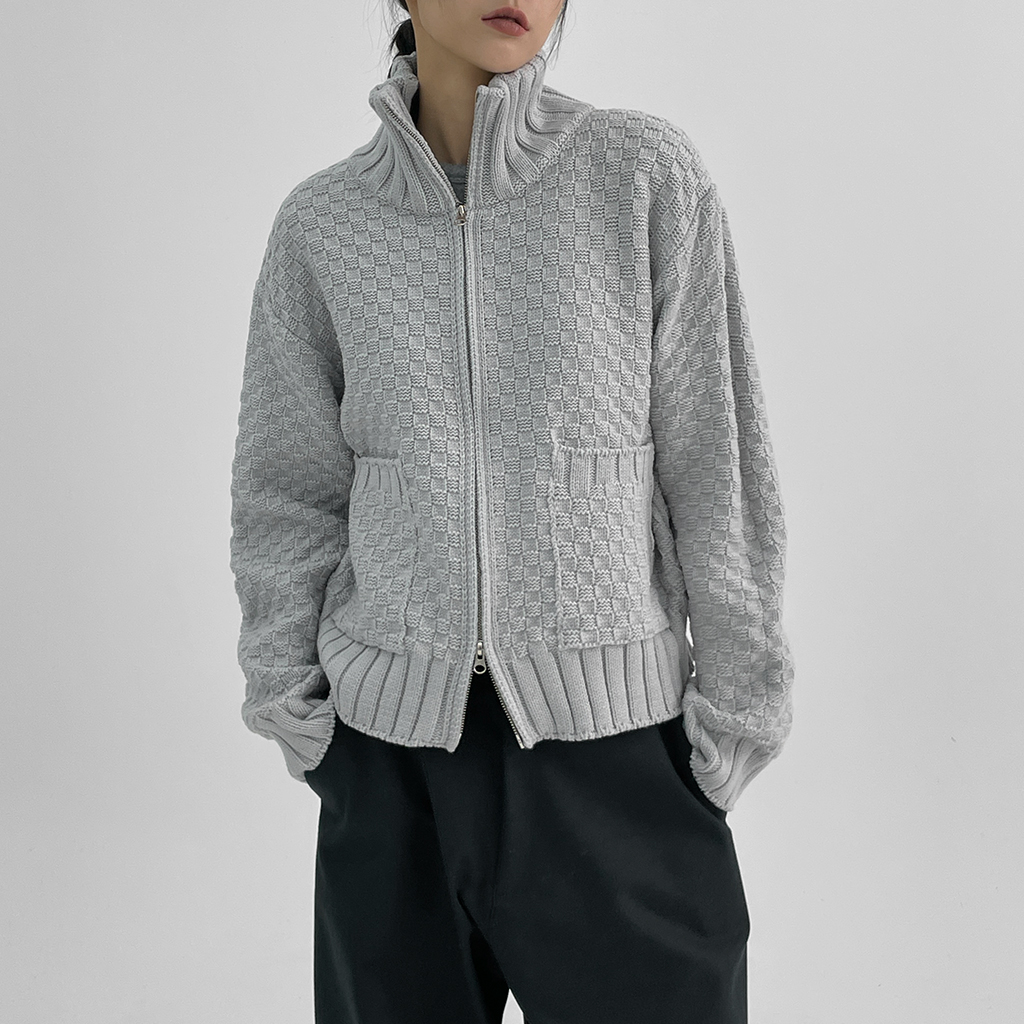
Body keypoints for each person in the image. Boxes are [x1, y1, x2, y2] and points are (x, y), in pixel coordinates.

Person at [228, 1, 795, 1021]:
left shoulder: (641, 177)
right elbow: (286, 488)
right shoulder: (322, 227)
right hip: (391, 773)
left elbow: (720, 463)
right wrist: (298, 712)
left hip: (618, 764)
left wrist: (738, 715)